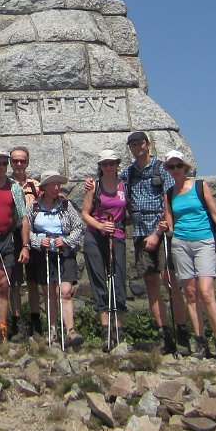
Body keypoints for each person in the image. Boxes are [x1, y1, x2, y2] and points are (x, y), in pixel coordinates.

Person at [161, 150, 216, 361]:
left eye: (178, 165)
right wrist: (166, 228)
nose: (175, 170)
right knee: (191, 294)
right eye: (171, 167)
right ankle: (200, 340)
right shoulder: (169, 193)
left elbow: (213, 211)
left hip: (203, 240)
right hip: (180, 243)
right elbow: (170, 223)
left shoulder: (200, 186)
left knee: (206, 292)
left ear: (185, 167)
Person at [123, 131, 189, 355]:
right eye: (132, 144)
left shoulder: (162, 168)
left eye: (140, 143)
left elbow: (169, 200)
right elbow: (110, 184)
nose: (137, 147)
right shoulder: (129, 172)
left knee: (169, 281)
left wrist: (157, 233)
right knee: (151, 284)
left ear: (148, 145)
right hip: (139, 232)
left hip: (160, 231)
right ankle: (164, 334)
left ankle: (182, 334)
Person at [28, 170, 84, 348]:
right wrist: (38, 241)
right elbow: (26, 229)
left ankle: (70, 331)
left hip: (64, 251)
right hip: (43, 252)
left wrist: (66, 241)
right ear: (45, 187)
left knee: (65, 290)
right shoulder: (34, 207)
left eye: (58, 184)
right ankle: (52, 329)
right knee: (49, 292)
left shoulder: (66, 205)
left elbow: (77, 227)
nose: (56, 187)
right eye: (53, 184)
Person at [81, 149, 129, 351]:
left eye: (111, 163)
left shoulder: (124, 186)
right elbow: (85, 213)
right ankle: (105, 330)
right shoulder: (95, 187)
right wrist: (100, 226)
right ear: (100, 166)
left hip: (116, 236)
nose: (108, 167)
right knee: (99, 280)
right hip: (95, 236)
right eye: (104, 164)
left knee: (118, 281)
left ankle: (119, 329)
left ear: (117, 164)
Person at [0, 148, 29, 345]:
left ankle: (2, 330)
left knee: (3, 285)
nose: (0, 167)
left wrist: (25, 245)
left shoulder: (14, 188)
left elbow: (22, 218)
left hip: (6, 239)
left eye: (3, 163)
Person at [9, 146, 43, 337]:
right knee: (14, 281)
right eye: (15, 161)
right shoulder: (6, 185)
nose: (19, 164)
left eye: (22, 160)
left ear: (28, 162)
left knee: (33, 281)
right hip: (13, 235)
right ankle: (16, 321)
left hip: (34, 234)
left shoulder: (36, 186)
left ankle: (35, 320)